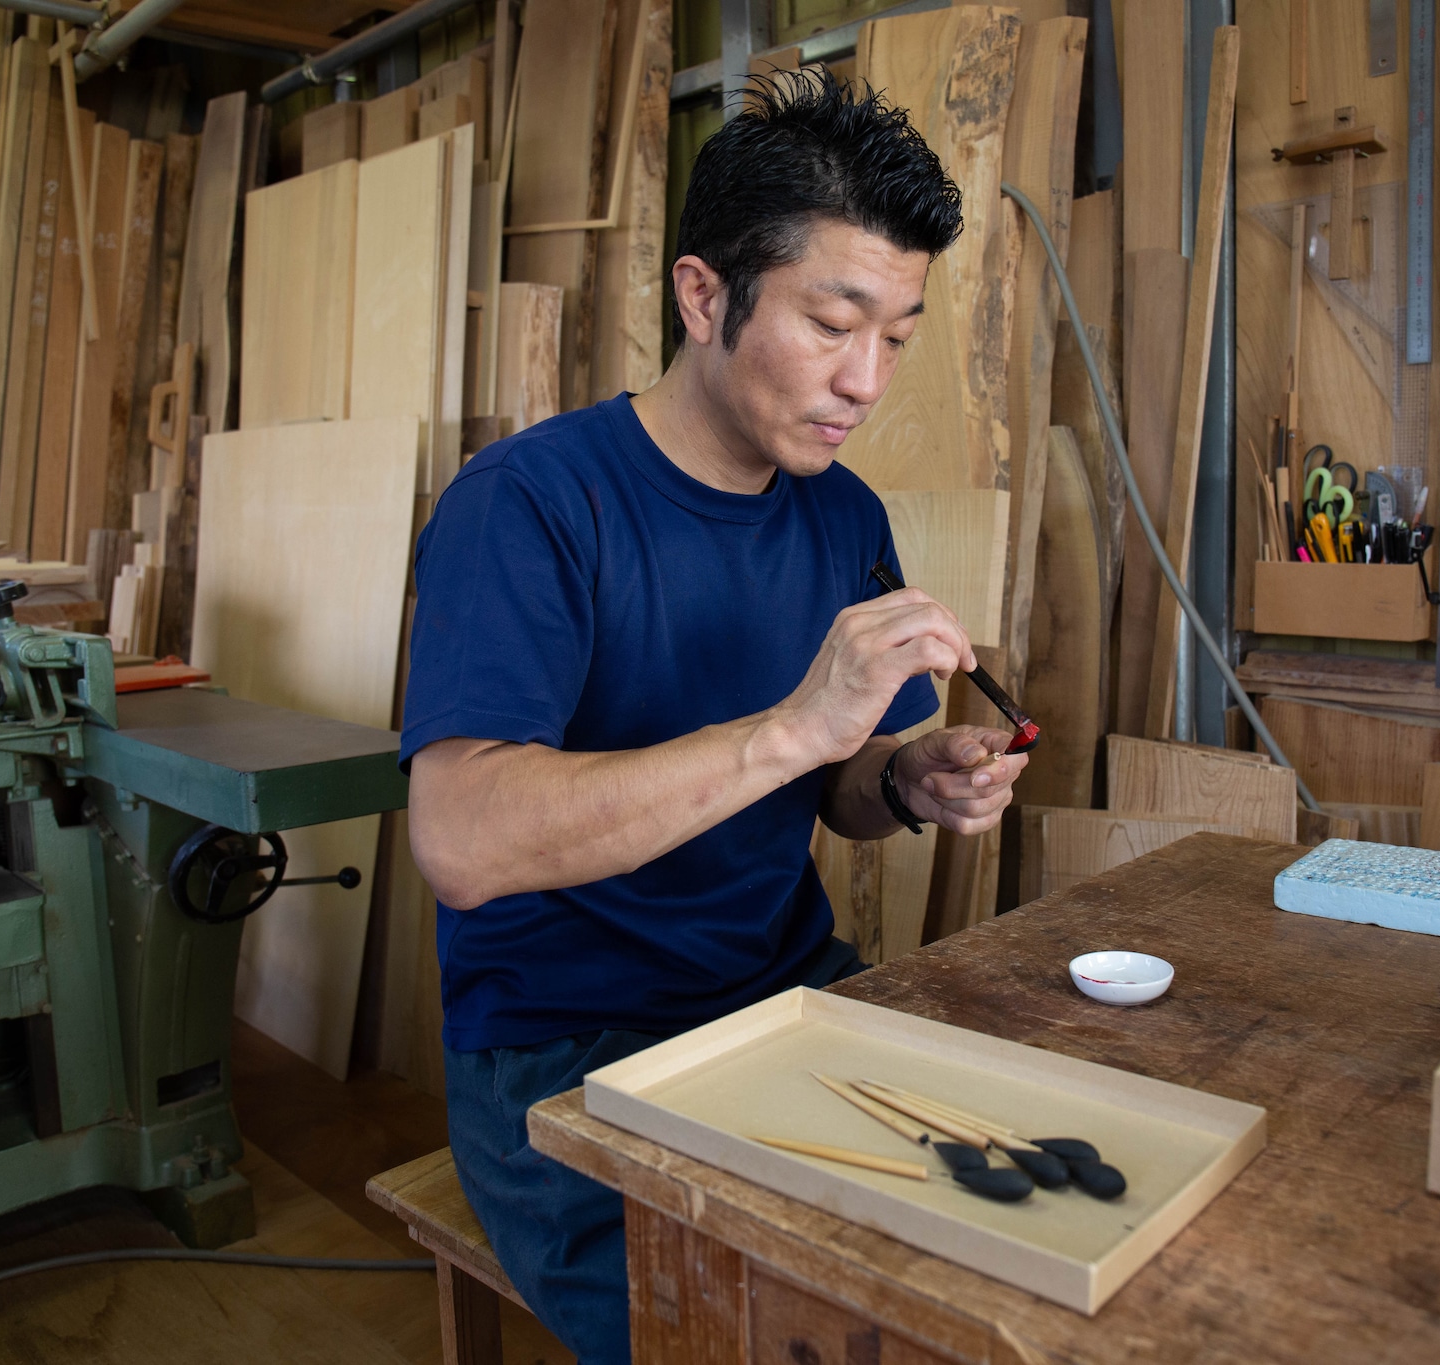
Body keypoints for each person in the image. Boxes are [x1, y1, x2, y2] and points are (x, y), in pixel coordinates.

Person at [401, 69, 1028, 1364]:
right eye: (833, 323)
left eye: (898, 338)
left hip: (785, 993)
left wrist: (904, 777)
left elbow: (838, 788)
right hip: (566, 1050)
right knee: (755, 1335)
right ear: (703, 297)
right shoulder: (529, 504)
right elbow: (461, 840)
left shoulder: (844, 513)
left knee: (1005, 1252)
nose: (866, 380)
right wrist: (792, 726)